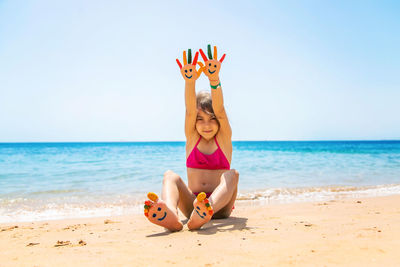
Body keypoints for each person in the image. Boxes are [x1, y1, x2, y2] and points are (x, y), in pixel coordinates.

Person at [144, 45, 239, 231]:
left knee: (232, 174)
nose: (206, 125)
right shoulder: (192, 138)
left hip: (220, 207)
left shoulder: (224, 140)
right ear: (194, 123)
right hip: (193, 207)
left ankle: (207, 209)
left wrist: (214, 79)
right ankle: (170, 213)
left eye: (212, 119)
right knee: (170, 175)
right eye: (200, 119)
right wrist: (190, 82)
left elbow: (219, 110)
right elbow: (189, 111)